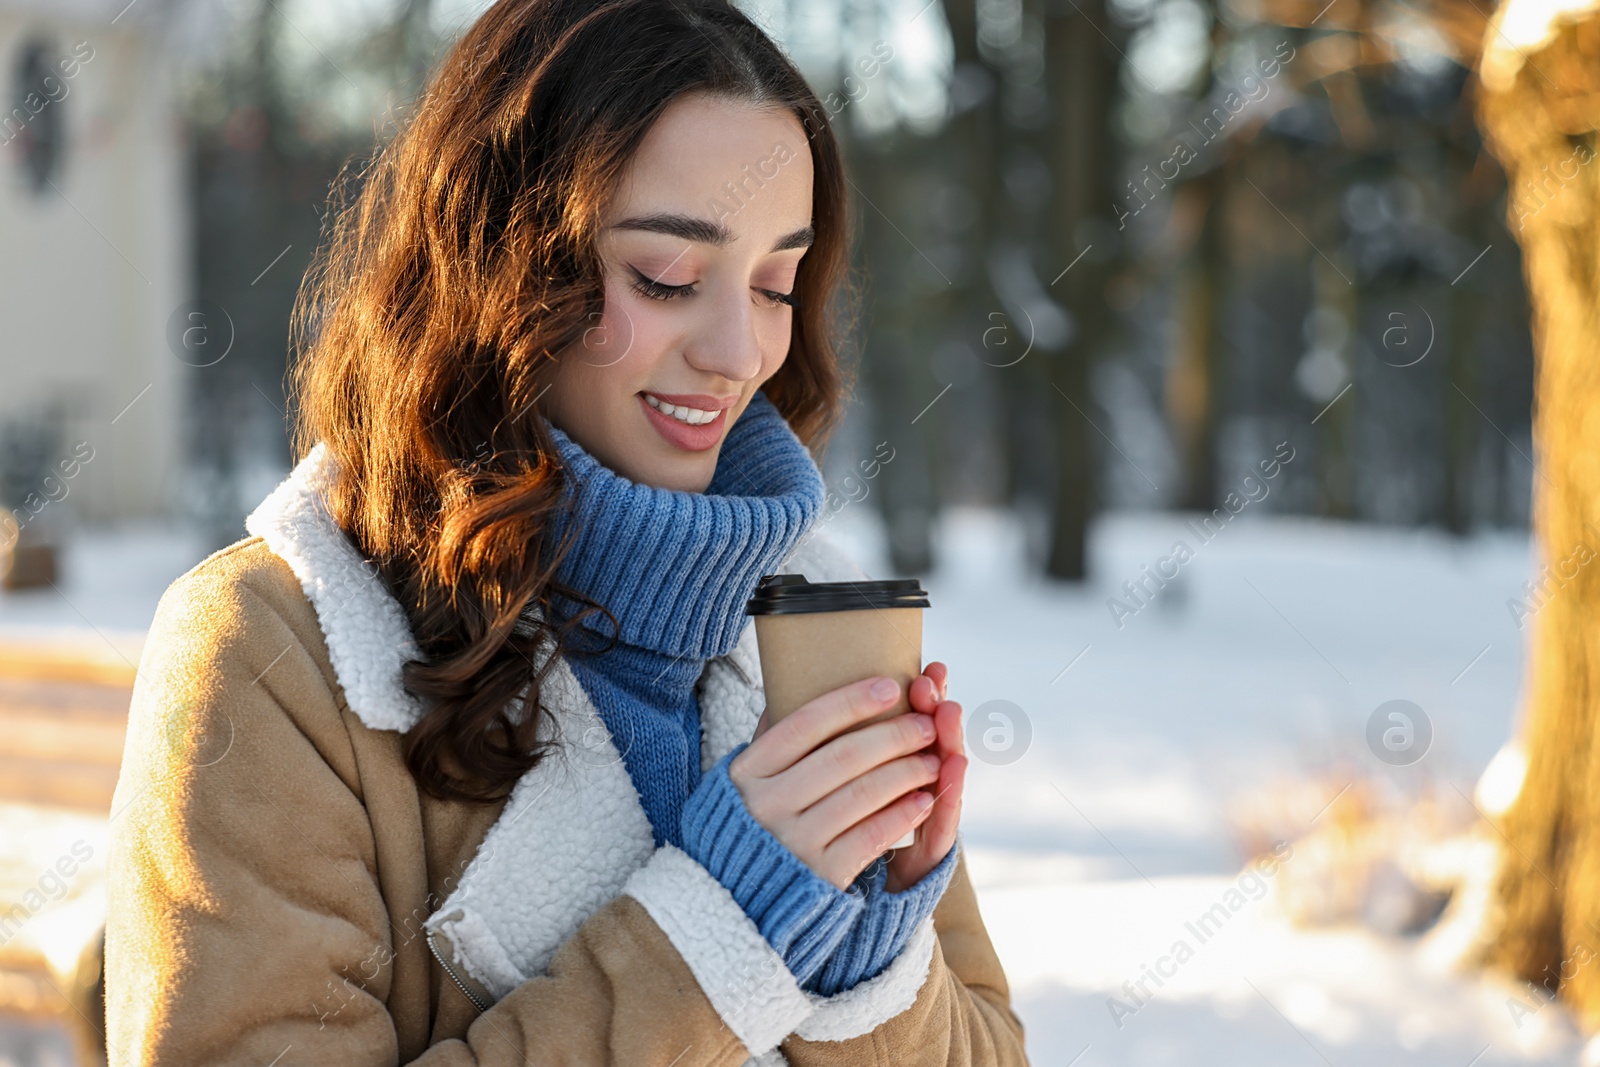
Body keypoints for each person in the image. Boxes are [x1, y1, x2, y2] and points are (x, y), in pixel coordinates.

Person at [103, 1, 1029, 1064]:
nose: (739, 350)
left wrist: (864, 935)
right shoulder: (277, 651)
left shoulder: (807, 610)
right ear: (500, 267)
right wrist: (717, 935)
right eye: (666, 277)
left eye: (776, 283)